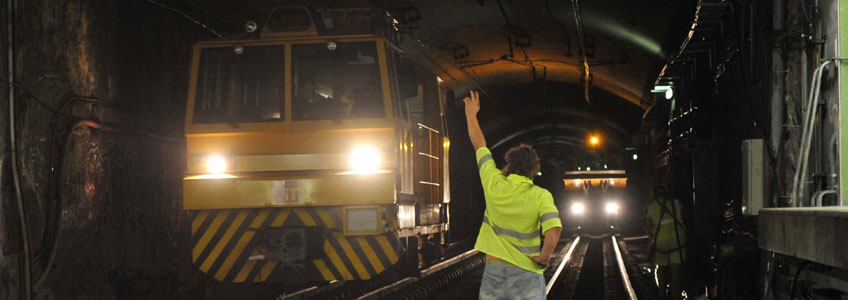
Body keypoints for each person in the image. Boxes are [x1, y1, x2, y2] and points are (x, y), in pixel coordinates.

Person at [464, 90, 562, 300]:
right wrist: (544, 257)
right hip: (527, 272)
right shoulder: (540, 195)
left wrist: (471, 114)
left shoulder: (494, 182)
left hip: (494, 270)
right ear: (533, 170)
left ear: (509, 165)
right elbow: (553, 230)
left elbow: (479, 145)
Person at [646, 186, 686, 300]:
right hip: (678, 241)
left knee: (662, 270)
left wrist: (651, 240)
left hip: (660, 243)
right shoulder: (676, 203)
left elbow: (648, 225)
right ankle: (675, 297)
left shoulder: (651, 206)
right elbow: (684, 217)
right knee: (676, 274)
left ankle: (662, 296)